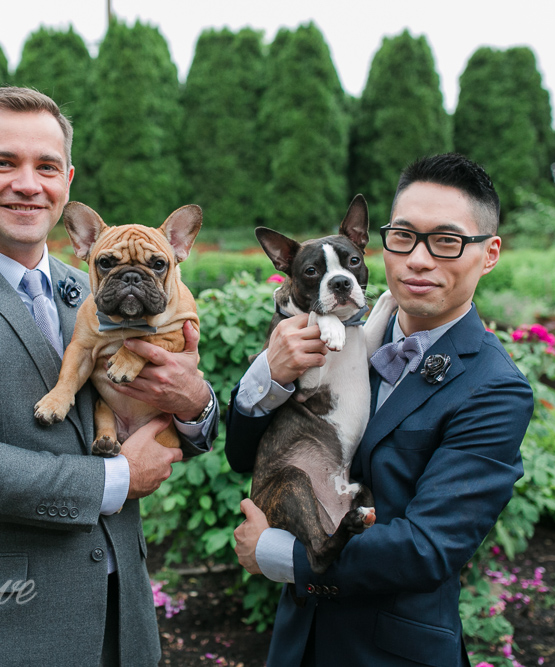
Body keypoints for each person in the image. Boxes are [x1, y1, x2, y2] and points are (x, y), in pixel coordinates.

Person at [0, 87, 217, 667]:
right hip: (0, 629)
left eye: (47, 167)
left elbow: (181, 419)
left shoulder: (94, 285)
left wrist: (193, 401)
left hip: (122, 619)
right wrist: (115, 480)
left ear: (67, 182)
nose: (29, 183)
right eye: (4, 162)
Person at [226, 153, 534, 667]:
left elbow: (426, 548)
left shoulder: (494, 389)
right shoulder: (337, 333)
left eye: (447, 241)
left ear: (490, 253)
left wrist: (280, 555)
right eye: (404, 236)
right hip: (297, 642)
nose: (417, 259)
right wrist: (270, 372)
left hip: (392, 653)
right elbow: (242, 455)